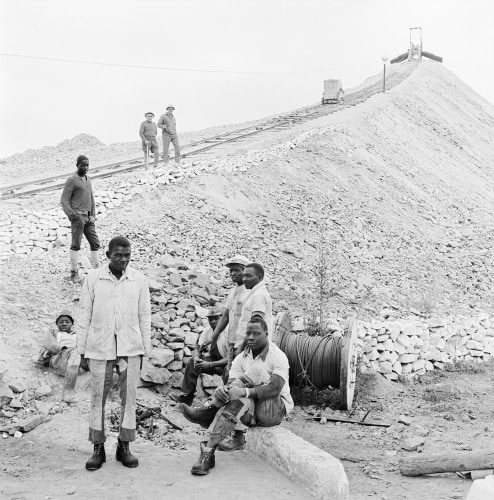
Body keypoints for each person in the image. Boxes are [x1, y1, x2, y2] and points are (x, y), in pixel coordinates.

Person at [180, 317, 294, 475]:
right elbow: (234, 386)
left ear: (266, 334)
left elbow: (274, 388)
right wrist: (225, 389)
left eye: (256, 333)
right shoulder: (241, 357)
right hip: (251, 411)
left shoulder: (278, 356)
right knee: (238, 399)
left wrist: (243, 391)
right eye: (248, 333)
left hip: (274, 410)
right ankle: (207, 453)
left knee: (256, 371)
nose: (251, 337)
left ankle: (208, 410)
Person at [77, 236, 151, 471]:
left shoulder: (138, 279)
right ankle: (98, 448)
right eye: (118, 255)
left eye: (127, 255)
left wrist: (144, 350)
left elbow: (145, 316)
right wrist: (82, 350)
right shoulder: (93, 278)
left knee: (129, 400)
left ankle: (124, 446)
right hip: (100, 348)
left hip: (130, 349)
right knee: (98, 398)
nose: (123, 259)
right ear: (108, 255)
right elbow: (84, 315)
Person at [171, 306, 227, 405]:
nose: (213, 321)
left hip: (226, 362)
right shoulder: (207, 331)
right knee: (193, 363)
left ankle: (225, 403)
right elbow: (198, 348)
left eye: (216, 318)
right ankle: (187, 396)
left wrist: (210, 365)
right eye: (210, 319)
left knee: (229, 372)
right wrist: (197, 357)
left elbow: (233, 358)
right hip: (214, 360)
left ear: (222, 318)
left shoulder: (228, 332)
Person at [60, 155, 101, 284]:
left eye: (87, 165)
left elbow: (91, 198)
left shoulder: (88, 179)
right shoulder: (72, 180)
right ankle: (74, 273)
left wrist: (93, 215)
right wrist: (73, 215)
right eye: (83, 165)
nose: (85, 167)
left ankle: (98, 272)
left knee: (95, 243)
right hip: (78, 218)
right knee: (76, 244)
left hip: (88, 218)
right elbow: (64, 200)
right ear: (77, 165)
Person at [210, 255, 249, 378]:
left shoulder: (250, 292)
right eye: (231, 270)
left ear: (245, 271)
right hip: (232, 342)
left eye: (237, 270)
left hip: (245, 343)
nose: (232, 273)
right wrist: (213, 336)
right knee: (230, 373)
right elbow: (225, 316)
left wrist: (243, 345)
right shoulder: (233, 291)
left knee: (241, 376)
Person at [39, 309, 83, 403]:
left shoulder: (77, 335)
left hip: (73, 360)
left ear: (72, 324)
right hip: (59, 359)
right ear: (57, 324)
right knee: (75, 352)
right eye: (61, 322)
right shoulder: (54, 332)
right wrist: (61, 348)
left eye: (67, 322)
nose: (64, 324)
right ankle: (68, 392)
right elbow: (49, 343)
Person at [236, 263, 273, 349]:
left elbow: (256, 327)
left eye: (248, 276)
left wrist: (242, 348)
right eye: (243, 276)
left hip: (253, 347)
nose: (244, 279)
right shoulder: (254, 293)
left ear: (260, 277)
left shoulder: (258, 295)